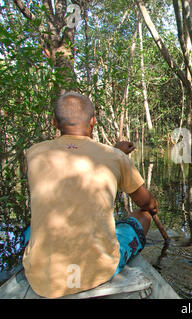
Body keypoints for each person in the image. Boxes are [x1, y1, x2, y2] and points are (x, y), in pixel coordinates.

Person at [20, 91, 158, 298]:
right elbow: (148, 204)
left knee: (32, 228)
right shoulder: (115, 157)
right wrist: (118, 155)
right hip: (96, 273)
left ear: (54, 123)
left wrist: (115, 153)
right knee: (143, 216)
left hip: (42, 279)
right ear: (93, 121)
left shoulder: (34, 153)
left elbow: (73, 162)